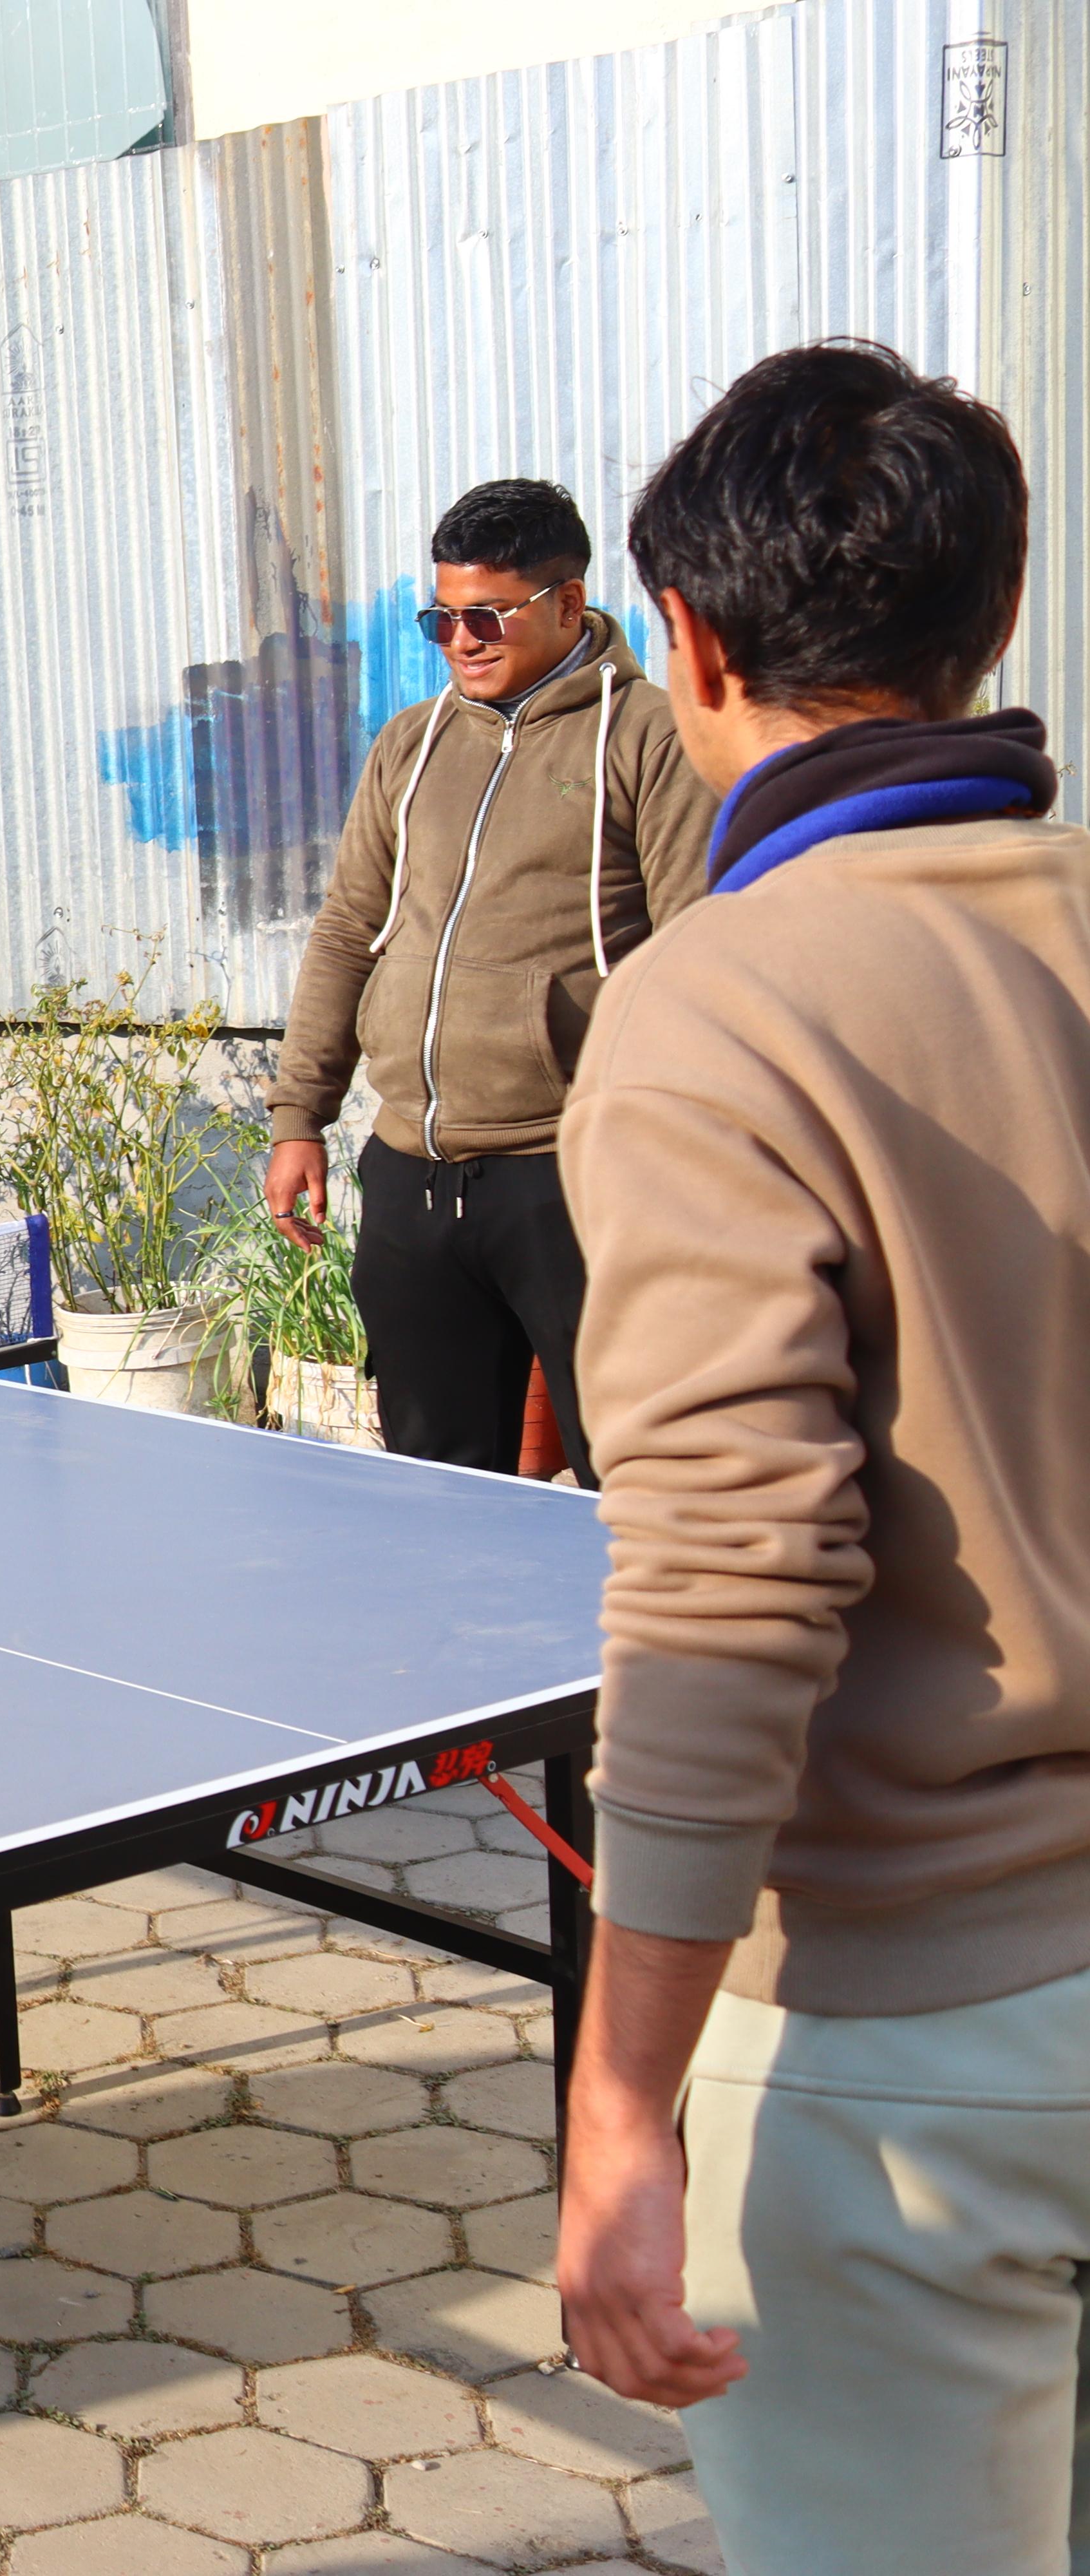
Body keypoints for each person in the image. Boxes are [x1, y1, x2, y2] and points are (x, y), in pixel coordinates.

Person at [550, 341, 1080, 2575]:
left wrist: (617, 2100)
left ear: (688, 645)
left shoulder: (713, 1010)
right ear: (990, 616)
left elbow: (727, 1594)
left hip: (916, 2034)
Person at [263, 478, 717, 1479]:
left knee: (630, 1481)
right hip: (412, 1177)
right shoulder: (411, 744)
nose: (461, 640)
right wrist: (300, 1117)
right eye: (442, 618)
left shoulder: (651, 738)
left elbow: (695, 956)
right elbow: (347, 933)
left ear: (568, 601)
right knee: (434, 1490)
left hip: (574, 1177)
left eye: (487, 616)